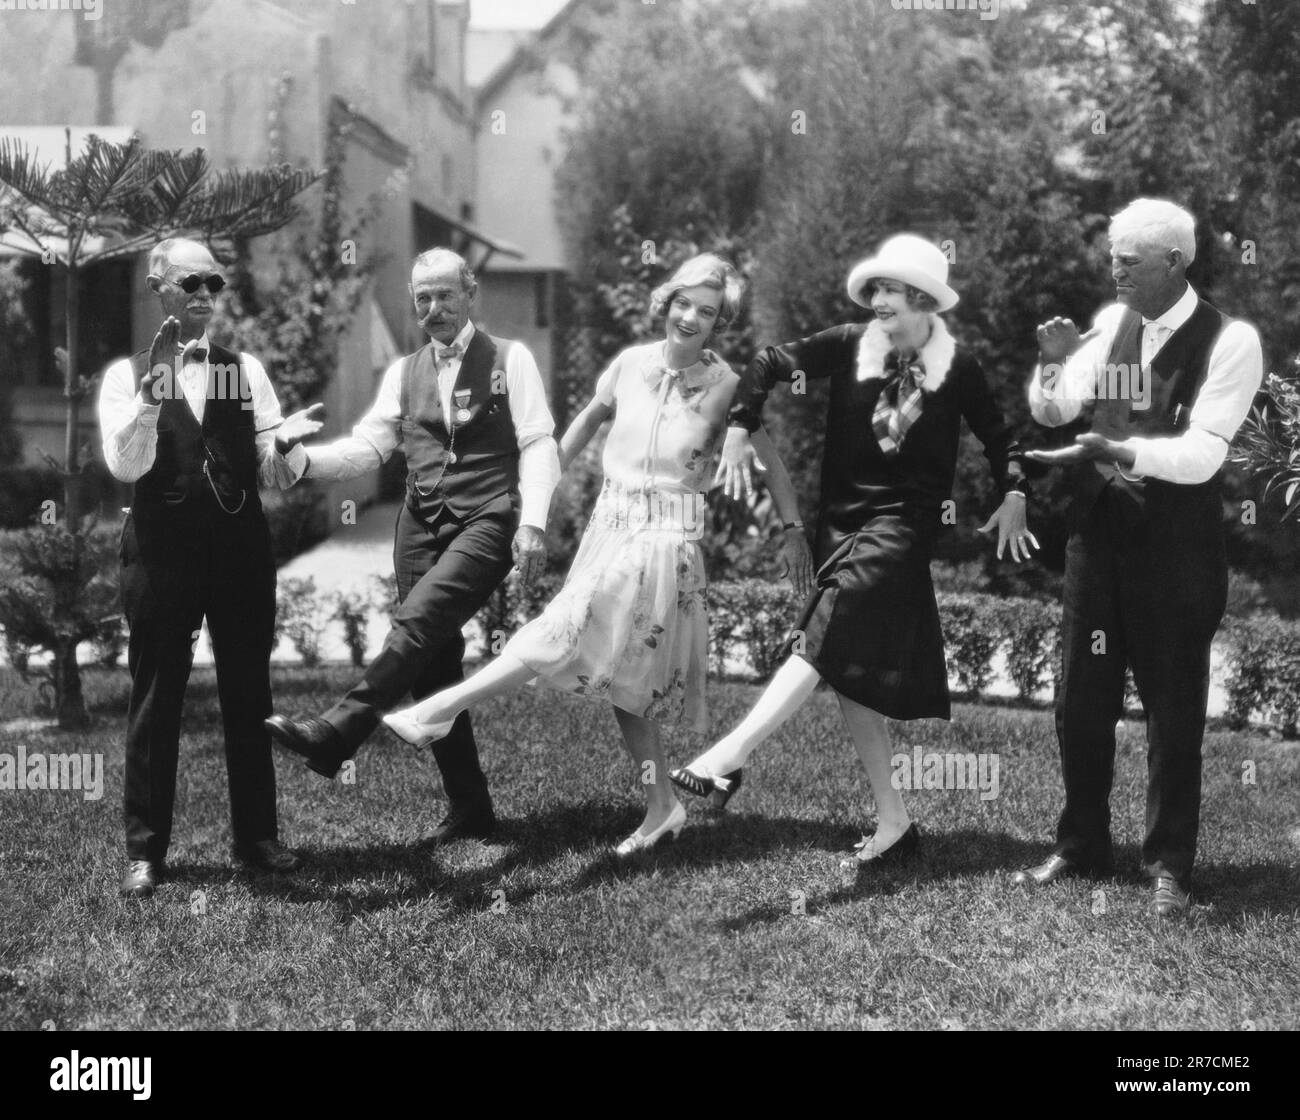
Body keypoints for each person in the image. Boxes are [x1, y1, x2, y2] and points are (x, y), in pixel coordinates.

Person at [382, 254, 813, 855]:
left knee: (565, 622)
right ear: (667, 302)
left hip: (666, 541)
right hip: (610, 527)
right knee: (625, 685)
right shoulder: (629, 365)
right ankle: (663, 808)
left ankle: (443, 709)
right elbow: (584, 424)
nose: (691, 317)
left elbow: (772, 466)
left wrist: (792, 530)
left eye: (707, 312)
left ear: (719, 324)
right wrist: (538, 496)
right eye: (684, 303)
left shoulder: (729, 389)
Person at [668, 235, 1033, 874]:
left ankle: (726, 757)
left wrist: (1016, 491)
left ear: (922, 300)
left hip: (901, 530)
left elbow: (1001, 437)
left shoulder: (960, 368)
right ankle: (895, 821)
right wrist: (738, 426)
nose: (878, 301)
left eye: (892, 292)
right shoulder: (848, 344)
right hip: (842, 527)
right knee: (849, 671)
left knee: (826, 633)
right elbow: (768, 362)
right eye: (875, 291)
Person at [1016, 199, 1264, 917]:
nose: (1114, 270)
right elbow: (1055, 411)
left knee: (1173, 710)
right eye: (1112, 257)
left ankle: (1169, 867)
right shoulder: (1114, 326)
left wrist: (1121, 449)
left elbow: (1203, 452)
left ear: (1174, 261)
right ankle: (1082, 844)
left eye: (1129, 259)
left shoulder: (1228, 338)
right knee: (1080, 701)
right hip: (1099, 540)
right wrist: (1053, 365)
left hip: (1175, 550)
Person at [264, 248, 561, 845]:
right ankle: (472, 807)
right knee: (433, 662)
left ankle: (339, 729)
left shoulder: (512, 358)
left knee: (417, 624)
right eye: (422, 298)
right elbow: (368, 449)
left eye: (445, 295)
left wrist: (533, 522)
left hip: (488, 516)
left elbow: (538, 442)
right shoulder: (404, 372)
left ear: (470, 292)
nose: (433, 309)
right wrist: (295, 457)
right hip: (419, 520)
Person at [99, 237, 325, 899]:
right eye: (190, 283)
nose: (204, 295)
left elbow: (270, 471)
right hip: (161, 557)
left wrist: (283, 447)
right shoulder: (126, 376)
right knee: (155, 699)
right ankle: (145, 852)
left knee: (249, 695)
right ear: (157, 287)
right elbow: (127, 466)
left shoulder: (243, 370)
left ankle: (257, 839)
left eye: (214, 285)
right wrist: (148, 396)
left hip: (238, 553)